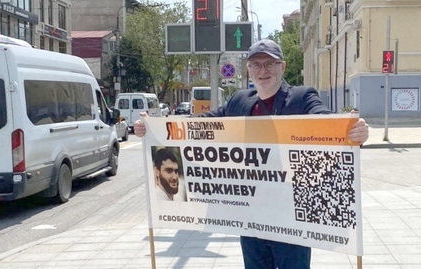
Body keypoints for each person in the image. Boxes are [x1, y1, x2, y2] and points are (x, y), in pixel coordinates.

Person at [135, 39, 369, 269]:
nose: (262, 70)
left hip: (291, 220)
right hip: (251, 218)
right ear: (248, 70)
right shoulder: (239, 100)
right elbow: (202, 124)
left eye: (269, 64)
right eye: (256, 65)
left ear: (282, 67)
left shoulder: (301, 97)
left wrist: (351, 131)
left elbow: (324, 121)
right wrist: (155, 128)